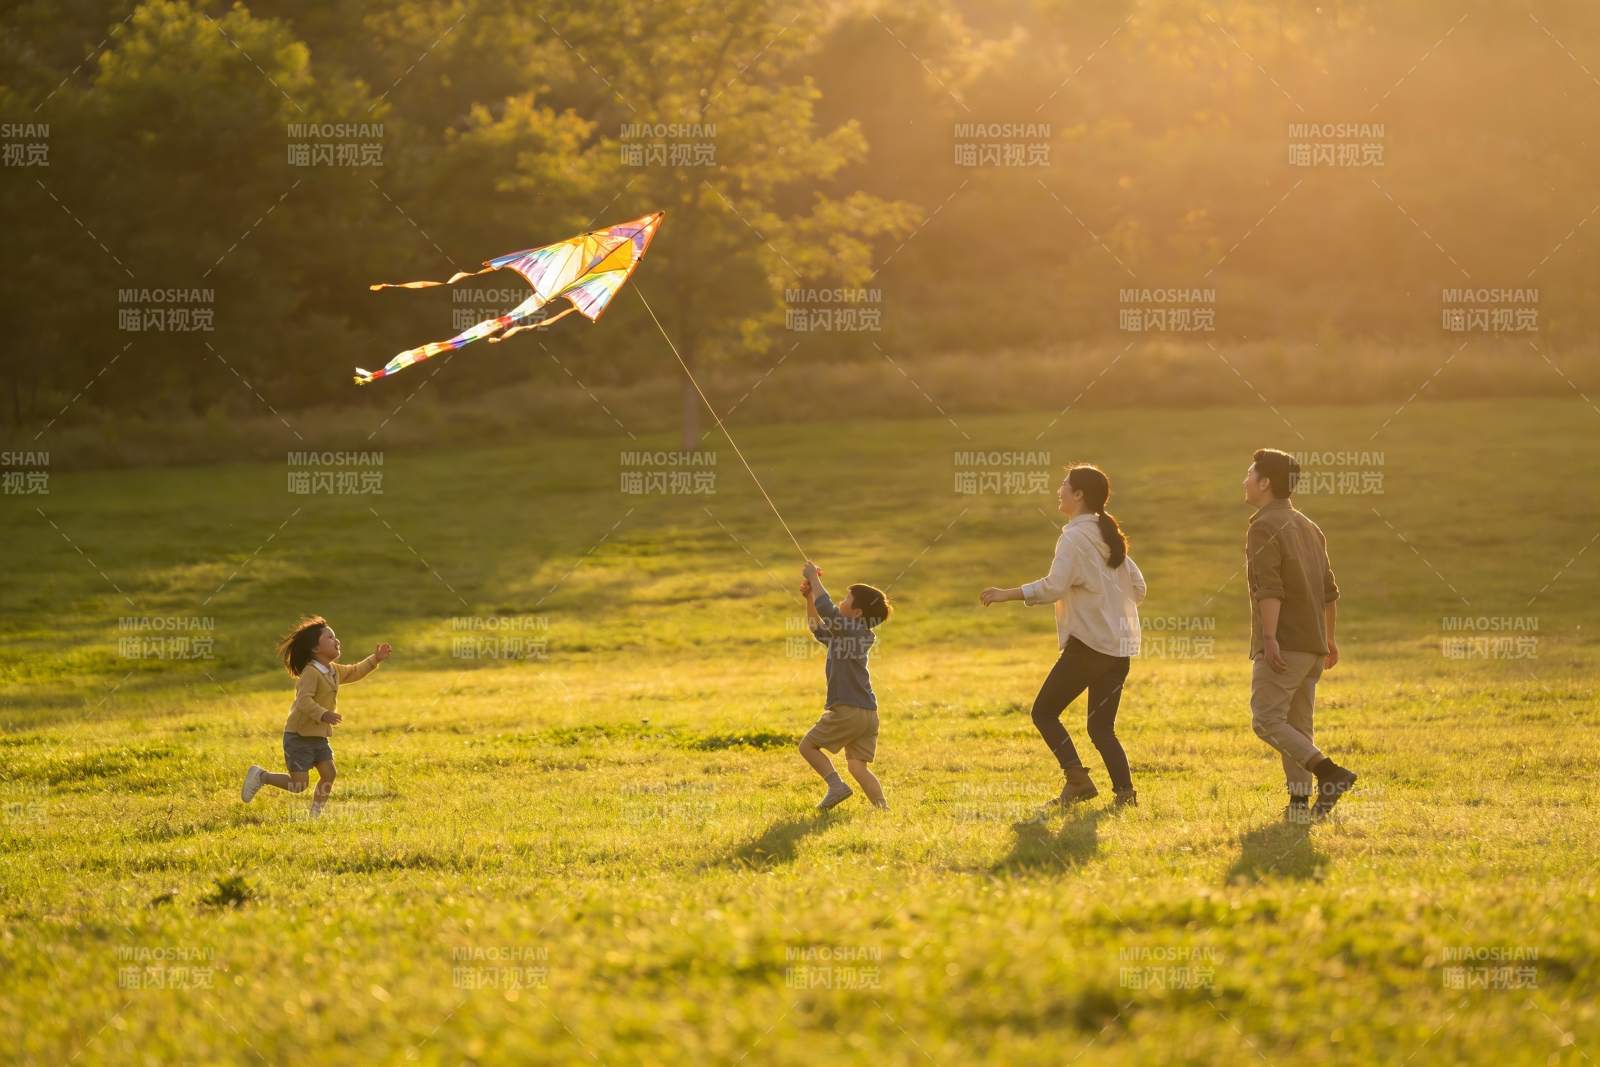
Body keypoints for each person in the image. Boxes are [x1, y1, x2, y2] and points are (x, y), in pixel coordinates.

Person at [981, 464, 1146, 807]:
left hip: (1087, 648)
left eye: (1065, 484)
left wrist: (1005, 593)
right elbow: (1139, 588)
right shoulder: (1108, 534)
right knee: (1101, 728)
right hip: (1119, 650)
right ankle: (1125, 795)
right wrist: (1107, 601)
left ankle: (1078, 780)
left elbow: (1054, 587)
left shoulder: (1073, 537)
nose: (1059, 489)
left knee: (1043, 712)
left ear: (1079, 494)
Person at [1241, 448, 1357, 819]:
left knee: (1267, 720)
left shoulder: (1263, 525)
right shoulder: (1310, 526)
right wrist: (1329, 639)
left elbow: (1269, 588)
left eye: (1249, 475)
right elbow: (1328, 591)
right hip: (1313, 645)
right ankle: (1298, 805)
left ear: (1265, 483)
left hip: (1286, 642)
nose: (1244, 482)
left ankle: (1329, 773)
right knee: (1297, 726)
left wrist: (1270, 638)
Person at [240, 616, 390, 817]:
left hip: (318, 736)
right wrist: (323, 714)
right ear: (314, 649)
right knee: (298, 785)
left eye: (335, 637)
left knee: (329, 774)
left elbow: (355, 672)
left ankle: (315, 814)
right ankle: (261, 776)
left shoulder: (333, 670)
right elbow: (303, 701)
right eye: (330, 638)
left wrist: (375, 659)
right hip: (299, 736)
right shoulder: (310, 673)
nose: (337, 641)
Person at [797, 560, 891, 810]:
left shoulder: (851, 631)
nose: (840, 602)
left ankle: (835, 785)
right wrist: (809, 598)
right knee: (858, 767)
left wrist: (814, 579)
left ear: (857, 612)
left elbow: (827, 609)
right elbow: (818, 629)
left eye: (846, 600)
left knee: (807, 746)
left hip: (847, 709)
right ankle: (883, 809)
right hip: (868, 714)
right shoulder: (848, 634)